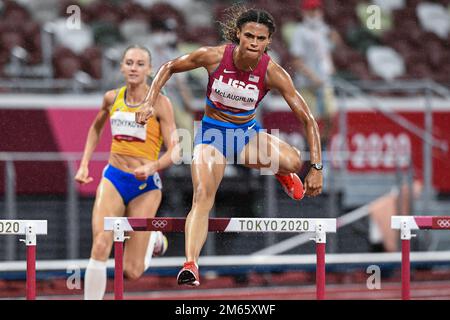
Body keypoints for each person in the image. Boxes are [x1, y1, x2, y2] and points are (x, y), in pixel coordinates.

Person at [136, 6, 323, 287]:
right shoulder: (213, 56)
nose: (253, 43)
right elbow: (169, 66)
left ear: (269, 41)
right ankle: (190, 264)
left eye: (260, 39)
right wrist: (150, 101)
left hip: (246, 135)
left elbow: (307, 119)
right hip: (212, 135)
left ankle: (281, 171)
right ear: (238, 34)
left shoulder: (273, 72)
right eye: (249, 36)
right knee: (202, 195)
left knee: (294, 161)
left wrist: (318, 167)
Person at [75, 45, 180, 299]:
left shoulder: (161, 104)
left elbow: (176, 151)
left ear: (150, 69)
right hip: (114, 178)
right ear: (122, 67)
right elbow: (95, 129)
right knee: (101, 243)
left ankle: (154, 239)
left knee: (132, 271)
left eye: (140, 64)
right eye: (129, 63)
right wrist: (84, 163)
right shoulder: (112, 98)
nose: (134, 68)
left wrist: (152, 166)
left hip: (145, 187)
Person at [290, 0, 341, 146]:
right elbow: (297, 61)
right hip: (307, 83)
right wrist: (312, 76)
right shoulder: (300, 31)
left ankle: (321, 146)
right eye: (311, 10)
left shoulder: (324, 29)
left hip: (324, 81)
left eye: (317, 9)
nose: (315, 13)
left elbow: (327, 52)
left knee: (330, 114)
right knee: (309, 120)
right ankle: (311, 150)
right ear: (305, 12)